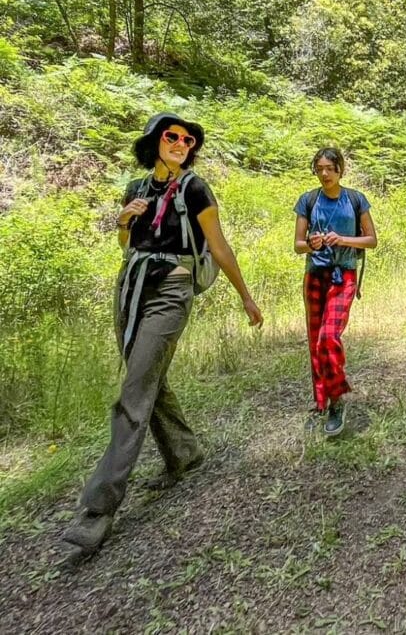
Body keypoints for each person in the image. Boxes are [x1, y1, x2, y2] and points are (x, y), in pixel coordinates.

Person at [60, 113, 264, 561]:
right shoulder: (136, 189)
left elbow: (219, 244)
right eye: (172, 136)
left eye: (188, 139)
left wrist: (246, 297)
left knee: (133, 393)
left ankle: (96, 510)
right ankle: (185, 452)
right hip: (130, 286)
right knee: (148, 378)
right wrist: (121, 220)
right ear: (155, 142)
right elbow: (126, 244)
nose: (180, 142)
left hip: (171, 289)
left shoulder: (195, 188)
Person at [293, 148, 377, 436]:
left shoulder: (355, 199)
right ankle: (321, 401)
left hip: (344, 275)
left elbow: (371, 240)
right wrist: (312, 243)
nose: (325, 173)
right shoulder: (308, 200)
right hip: (315, 275)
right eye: (320, 168)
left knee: (329, 337)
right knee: (315, 341)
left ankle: (337, 399)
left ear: (341, 169)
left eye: (330, 168)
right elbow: (297, 244)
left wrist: (342, 239)